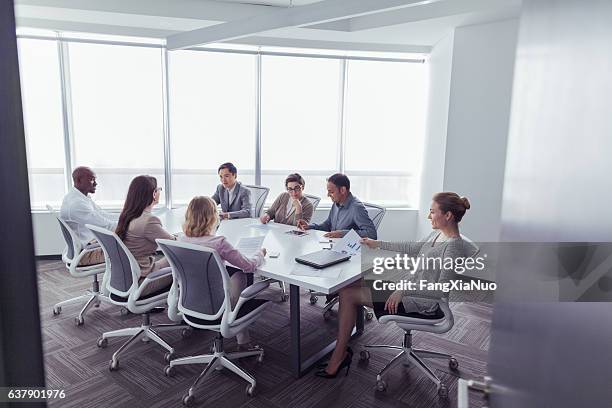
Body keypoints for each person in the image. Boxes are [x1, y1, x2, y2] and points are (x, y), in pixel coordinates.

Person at [316, 192, 473, 378]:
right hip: (408, 288)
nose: (428, 216)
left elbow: (441, 289)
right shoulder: (438, 234)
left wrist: (403, 289)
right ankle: (344, 345)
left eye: (432, 212)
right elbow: (413, 247)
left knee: (348, 295)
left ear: (448, 215)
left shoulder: (453, 247)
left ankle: (339, 357)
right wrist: (377, 243)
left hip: (422, 301)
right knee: (351, 283)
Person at [178, 196, 266, 349]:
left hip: (190, 304)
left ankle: (242, 338)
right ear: (212, 217)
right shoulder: (218, 243)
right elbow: (249, 266)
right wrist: (260, 253)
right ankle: (243, 340)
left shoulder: (181, 240)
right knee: (243, 273)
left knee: (230, 269)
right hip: (218, 307)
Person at [115, 175, 175, 296]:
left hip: (127, 278)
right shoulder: (149, 220)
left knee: (170, 260)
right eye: (159, 189)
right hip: (143, 282)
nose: (159, 192)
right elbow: (174, 245)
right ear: (154, 194)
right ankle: (190, 306)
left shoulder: (127, 215)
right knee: (184, 265)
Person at [60, 166, 116, 266]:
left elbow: (102, 215)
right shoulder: (77, 204)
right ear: (78, 180)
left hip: (87, 245)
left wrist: (127, 217)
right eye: (92, 179)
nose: (95, 183)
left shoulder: (79, 197)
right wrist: (131, 223)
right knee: (132, 246)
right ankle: (122, 280)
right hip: (85, 254)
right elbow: (106, 226)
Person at [297, 173, 376, 239]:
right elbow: (328, 225)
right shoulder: (336, 203)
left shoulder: (356, 208)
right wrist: (310, 226)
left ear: (342, 190)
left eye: (331, 192)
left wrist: (343, 234)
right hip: (333, 244)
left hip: (348, 251)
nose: (328, 195)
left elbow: (372, 234)